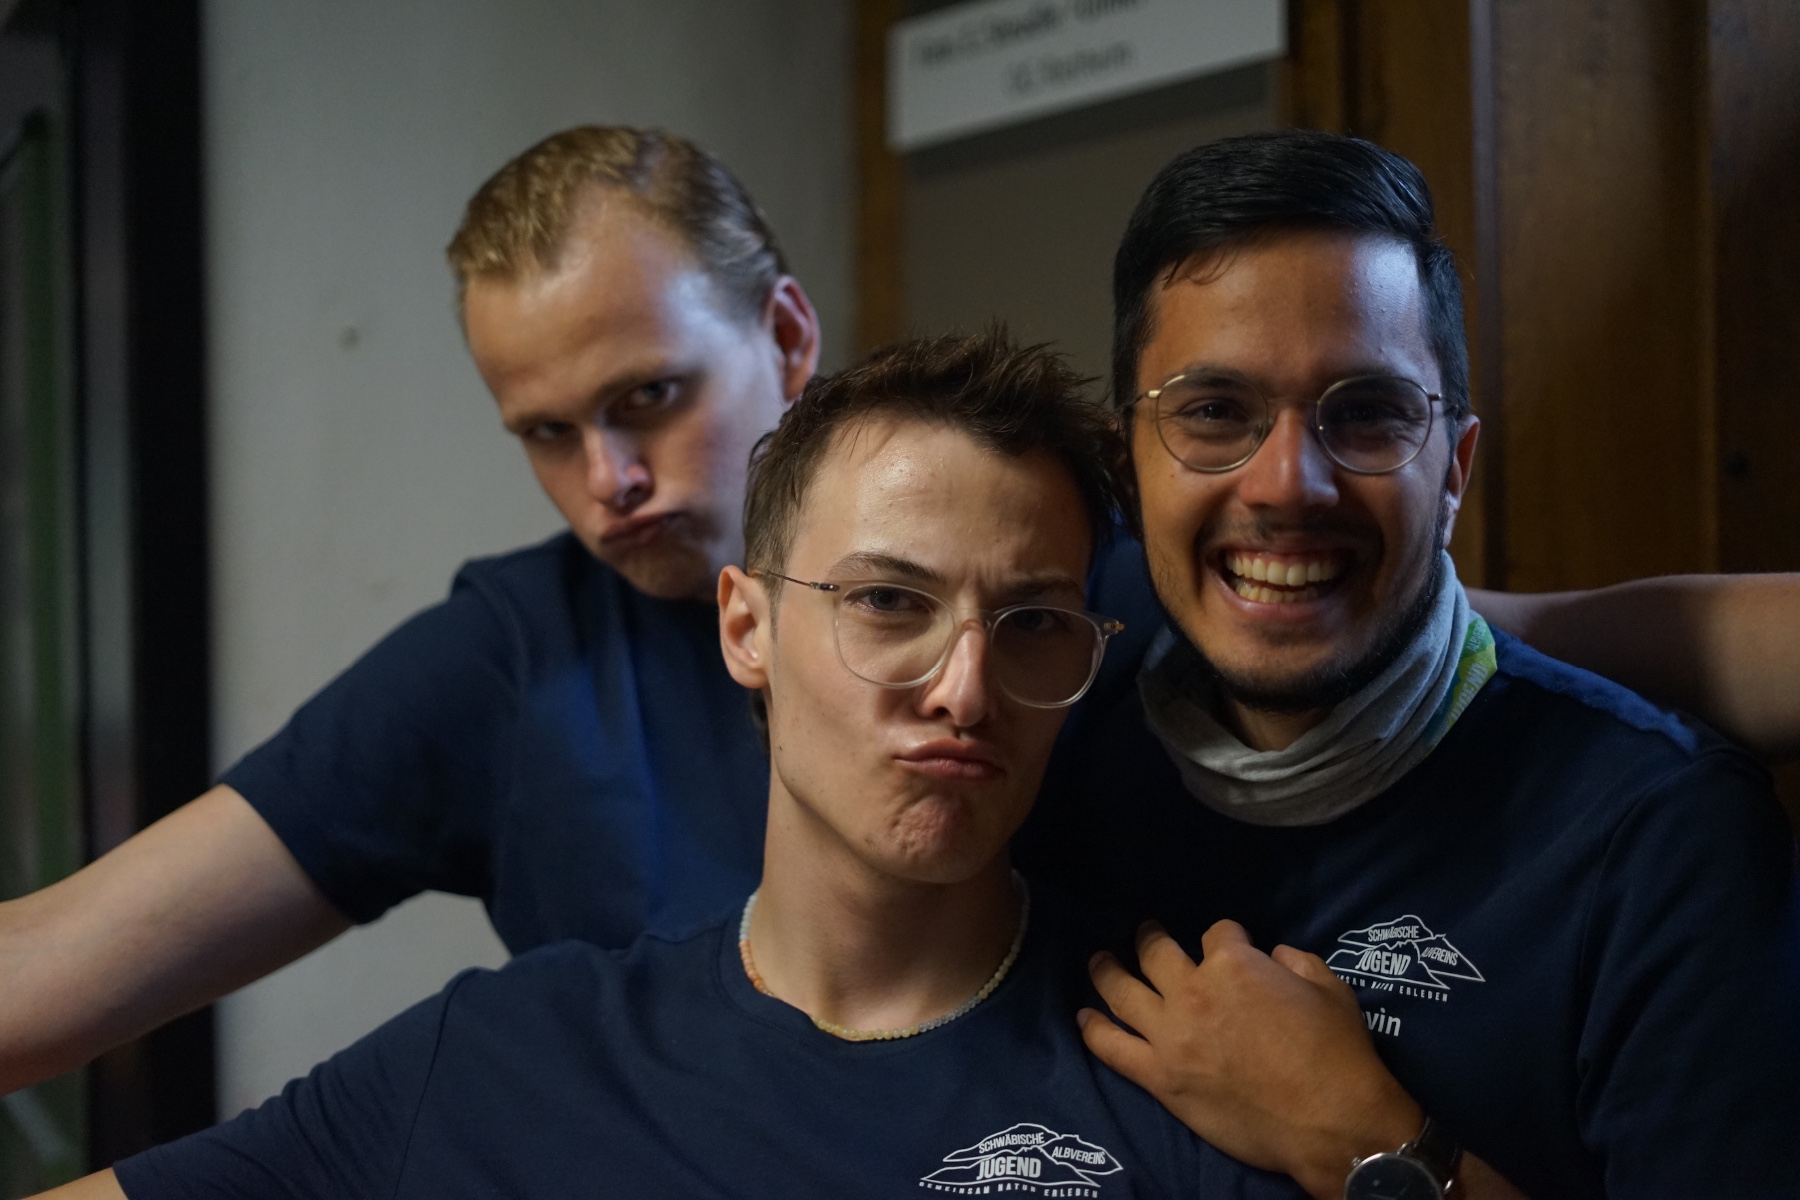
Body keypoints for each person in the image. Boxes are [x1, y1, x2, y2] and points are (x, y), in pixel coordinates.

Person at [0, 120, 1795, 1117]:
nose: (607, 481)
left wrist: (1370, 1151)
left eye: (647, 400)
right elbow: (58, 972)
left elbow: (1472, 635)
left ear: (785, 337)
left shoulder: (1092, 591)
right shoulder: (501, 692)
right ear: (745, 632)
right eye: (543, 433)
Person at [35, 331, 1311, 1200]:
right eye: (887, 603)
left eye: (1031, 623)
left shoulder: (1190, 1063)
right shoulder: (508, 1062)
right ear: (746, 628)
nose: (964, 689)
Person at [1021, 130, 1800, 1200]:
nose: (1287, 484)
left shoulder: (1659, 841)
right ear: (1129, 469)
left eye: (1366, 414)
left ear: (1455, 470)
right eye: (1213, 413)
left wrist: (1367, 1142)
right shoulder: (1044, 764)